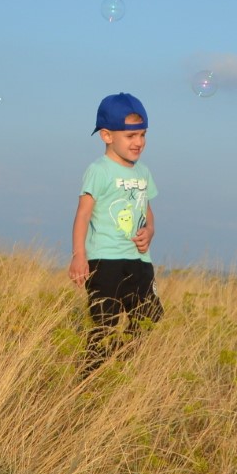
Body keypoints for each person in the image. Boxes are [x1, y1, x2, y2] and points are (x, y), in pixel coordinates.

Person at [69, 92, 161, 371]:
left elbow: (146, 208)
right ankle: (89, 378)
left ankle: (120, 360)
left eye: (143, 135)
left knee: (150, 314)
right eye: (130, 136)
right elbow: (83, 214)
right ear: (107, 136)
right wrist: (78, 255)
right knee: (104, 322)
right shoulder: (99, 170)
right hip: (105, 259)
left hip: (138, 259)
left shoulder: (143, 171)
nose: (139, 143)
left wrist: (151, 230)